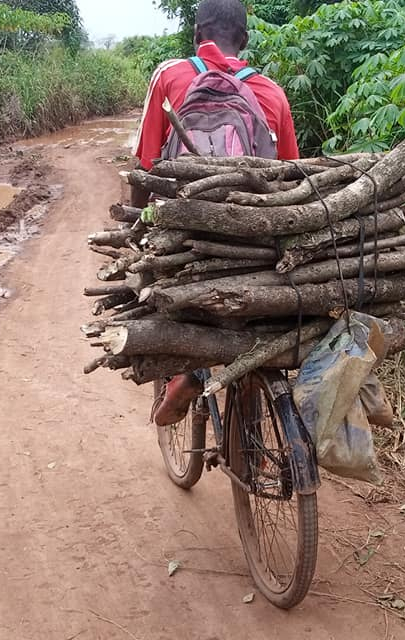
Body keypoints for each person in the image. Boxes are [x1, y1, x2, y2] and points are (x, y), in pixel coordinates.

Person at [130, 0, 300, 426]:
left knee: (167, 294)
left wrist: (137, 227)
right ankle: (255, 434)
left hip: (187, 237)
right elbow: (291, 179)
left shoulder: (170, 77)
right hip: (255, 241)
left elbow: (146, 165)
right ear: (244, 41)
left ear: (196, 34)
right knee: (259, 317)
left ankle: (184, 373)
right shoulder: (272, 93)